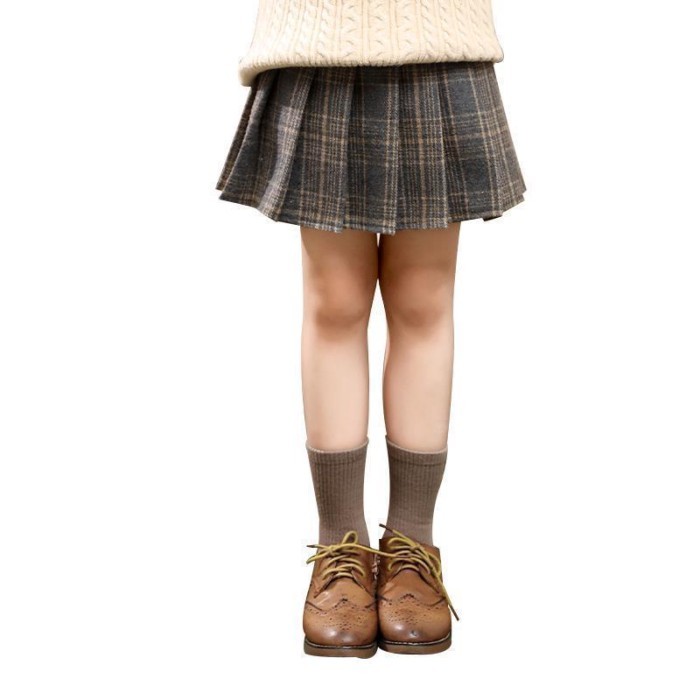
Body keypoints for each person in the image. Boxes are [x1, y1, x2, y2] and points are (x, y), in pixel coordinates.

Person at [216, 0, 525, 657]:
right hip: (317, 40)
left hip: (439, 42)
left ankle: (413, 543)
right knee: (335, 302)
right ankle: (342, 546)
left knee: (423, 301)